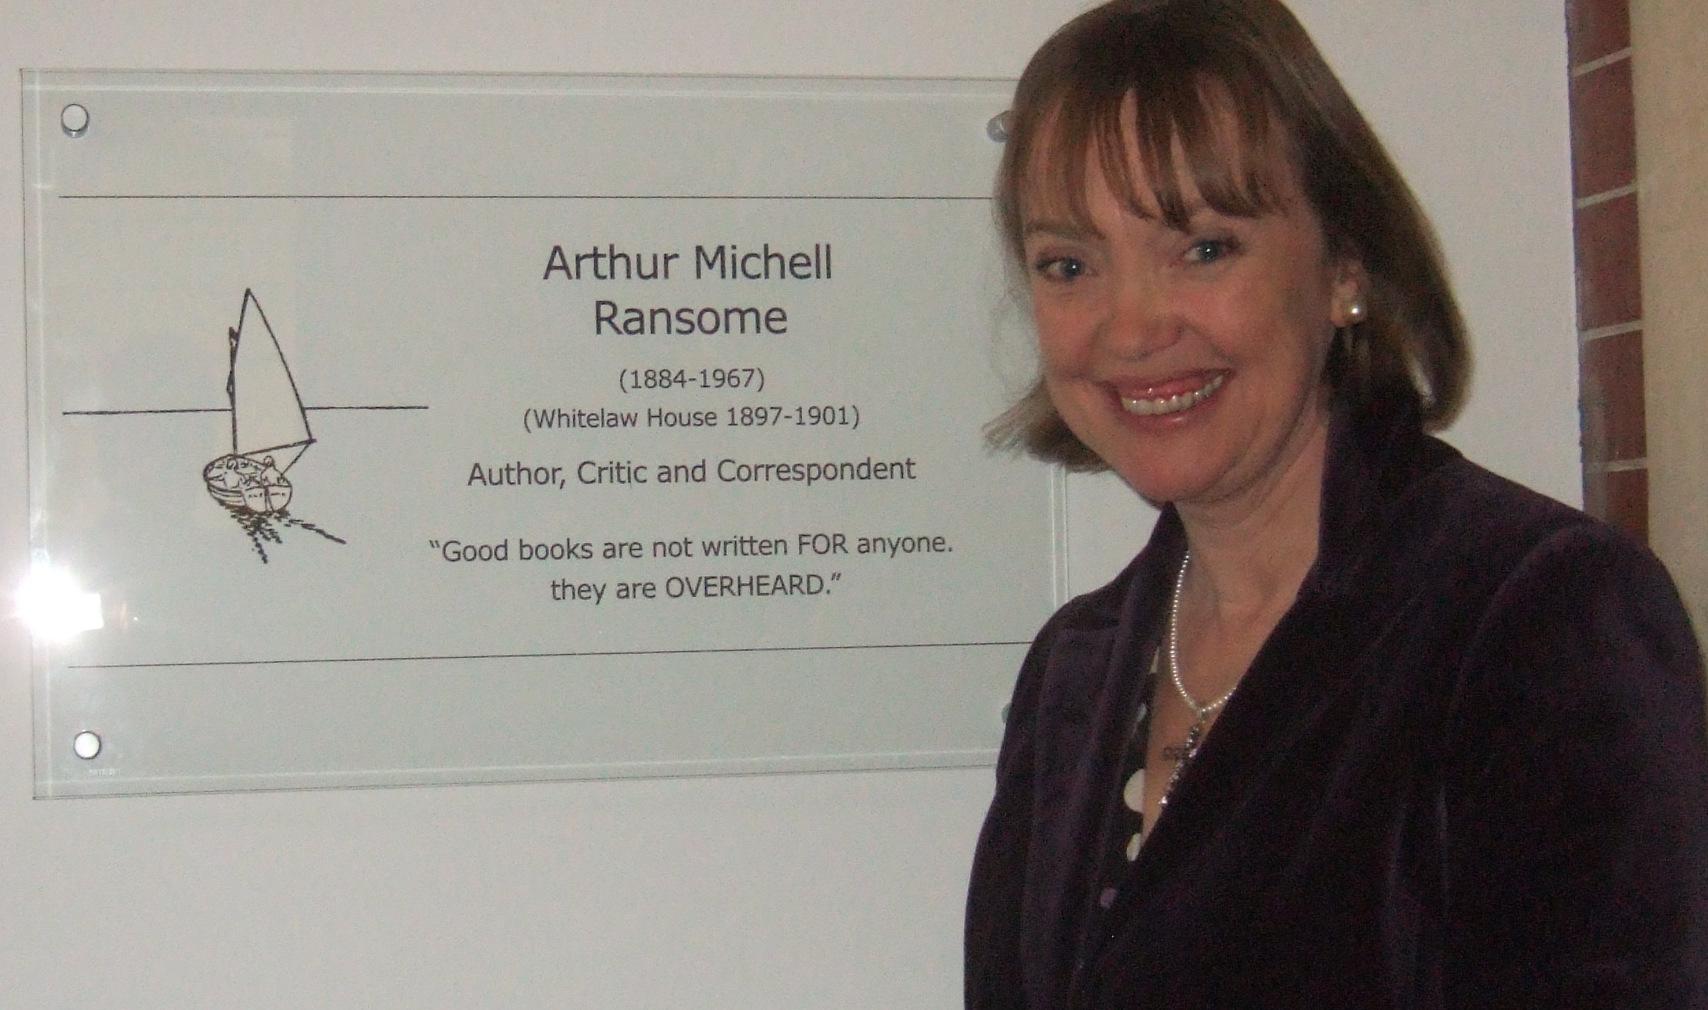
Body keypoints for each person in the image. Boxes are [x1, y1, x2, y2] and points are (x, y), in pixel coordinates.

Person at [964, 1, 1708, 1007]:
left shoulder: (1540, 616)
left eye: (1203, 247)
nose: (1129, 325)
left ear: (1344, 268)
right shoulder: (1074, 673)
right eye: (1069, 264)